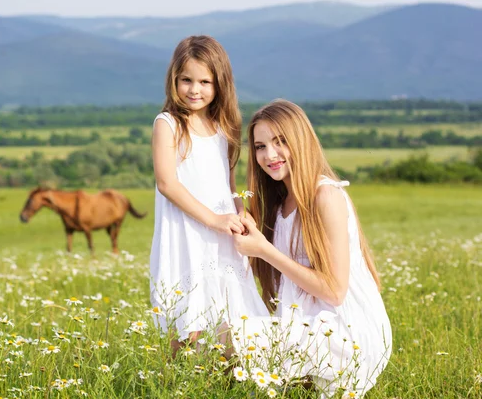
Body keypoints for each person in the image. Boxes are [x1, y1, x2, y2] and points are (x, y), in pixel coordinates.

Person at [231, 100, 392, 396]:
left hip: (346, 332)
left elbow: (334, 291)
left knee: (230, 341)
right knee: (220, 338)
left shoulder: (325, 196)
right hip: (307, 325)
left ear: (301, 141)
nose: (269, 155)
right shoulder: (278, 205)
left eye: (280, 142)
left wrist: (264, 249)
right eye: (260, 146)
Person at [149, 35, 268, 355]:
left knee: (230, 312)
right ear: (174, 79)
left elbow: (228, 180)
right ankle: (180, 380)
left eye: (205, 81)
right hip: (188, 229)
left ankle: (231, 376)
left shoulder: (224, 125)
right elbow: (167, 183)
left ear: (220, 84)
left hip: (223, 228)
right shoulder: (168, 124)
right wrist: (214, 219)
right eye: (185, 80)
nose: (194, 89)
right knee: (187, 314)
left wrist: (240, 211)